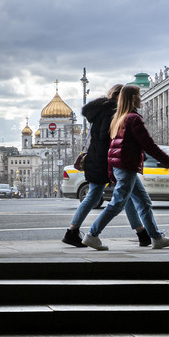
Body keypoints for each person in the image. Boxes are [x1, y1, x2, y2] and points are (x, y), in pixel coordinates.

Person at [82, 85, 169, 251]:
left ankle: (156, 238)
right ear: (133, 98)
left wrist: (112, 170)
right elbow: (148, 144)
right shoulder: (133, 119)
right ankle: (92, 234)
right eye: (139, 96)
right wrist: (167, 160)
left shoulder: (119, 118)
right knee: (118, 203)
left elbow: (112, 147)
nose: (141, 99)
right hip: (127, 166)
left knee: (143, 202)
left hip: (123, 166)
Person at [62, 85, 151, 248]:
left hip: (97, 158)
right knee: (106, 195)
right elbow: (108, 139)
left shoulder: (101, 111)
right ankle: (73, 232)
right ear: (120, 97)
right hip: (107, 160)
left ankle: (142, 233)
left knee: (120, 195)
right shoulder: (112, 113)